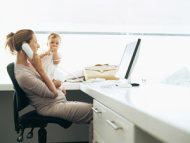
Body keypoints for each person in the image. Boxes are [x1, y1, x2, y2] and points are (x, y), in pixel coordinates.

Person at [5, 29, 93, 142]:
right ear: (25, 45)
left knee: (98, 113)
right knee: (96, 113)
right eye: (35, 42)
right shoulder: (23, 74)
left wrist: (57, 86)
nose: (38, 46)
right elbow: (52, 94)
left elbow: (44, 84)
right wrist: (40, 69)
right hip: (51, 106)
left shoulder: (27, 65)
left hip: (55, 102)